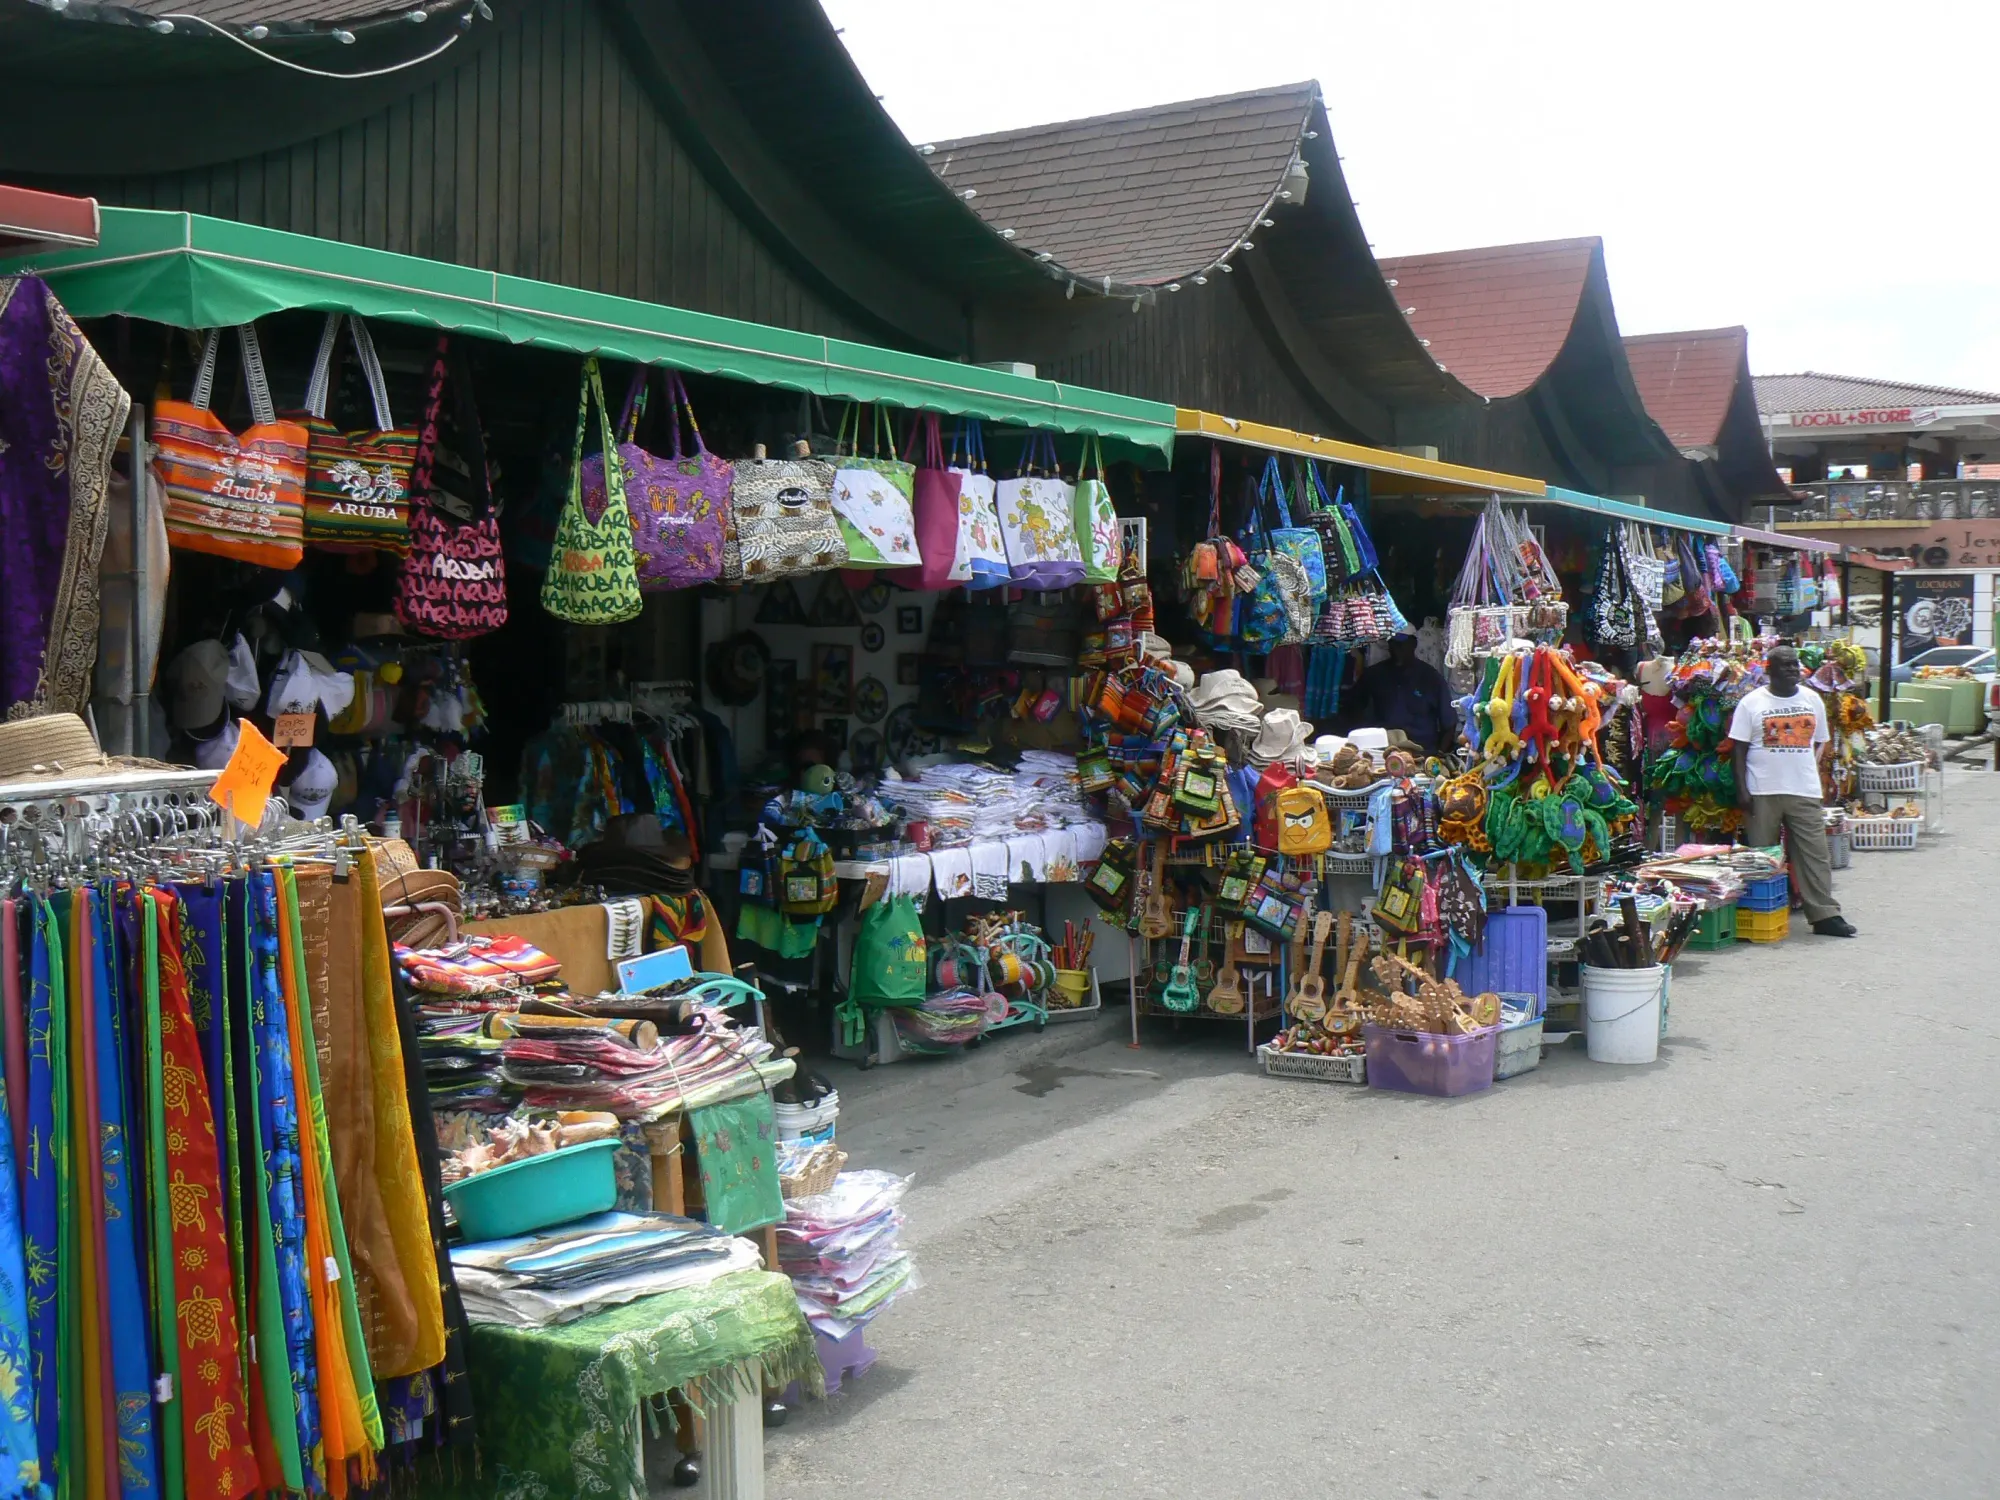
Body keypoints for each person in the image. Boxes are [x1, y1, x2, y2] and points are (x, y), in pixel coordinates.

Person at [1727, 645, 1855, 937]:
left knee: (1815, 854)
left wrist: (1812, 777)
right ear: (1769, 670)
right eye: (1784, 666)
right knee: (1763, 857)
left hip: (1803, 790)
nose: (1792, 670)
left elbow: (1820, 742)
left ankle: (1825, 915)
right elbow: (1739, 749)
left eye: (1795, 665)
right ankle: (1763, 914)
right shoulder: (1751, 703)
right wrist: (1742, 790)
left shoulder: (1813, 700)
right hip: (1762, 790)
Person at [1347, 634, 1457, 755]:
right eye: (1392, 644)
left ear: (1413, 644)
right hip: (1383, 751)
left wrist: (1439, 755)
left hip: (1421, 753)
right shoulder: (1374, 675)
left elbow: (1449, 723)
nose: (1396, 649)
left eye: (1401, 644)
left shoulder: (1431, 678)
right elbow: (1353, 709)